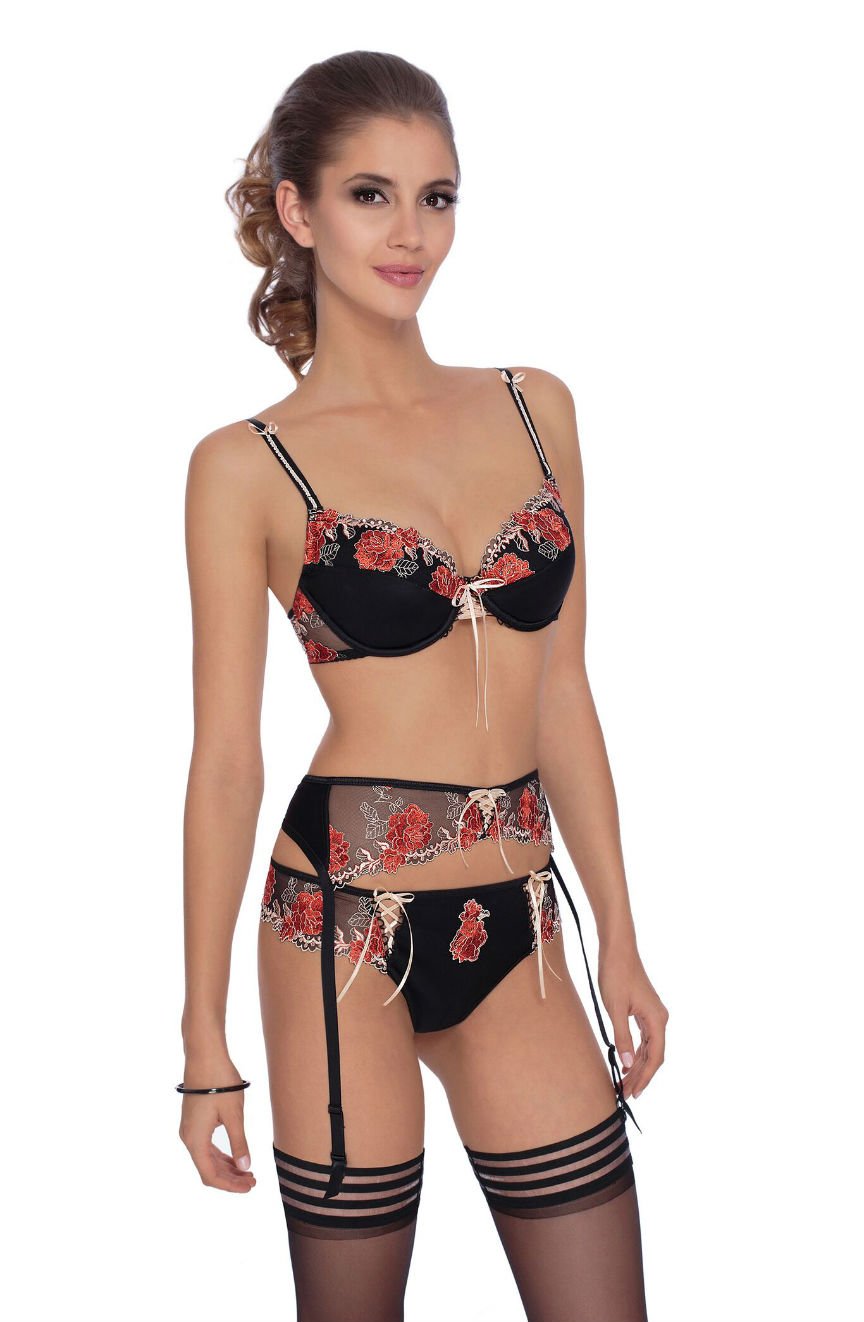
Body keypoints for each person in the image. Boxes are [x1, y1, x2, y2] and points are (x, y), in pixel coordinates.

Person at [178, 49, 668, 1322]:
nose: (411, 234)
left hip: (523, 915)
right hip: (339, 925)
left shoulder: (534, 406)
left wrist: (620, 932)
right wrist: (202, 1035)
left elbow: (564, 692)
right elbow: (226, 758)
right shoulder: (248, 465)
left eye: (436, 197)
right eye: (371, 196)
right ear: (297, 210)